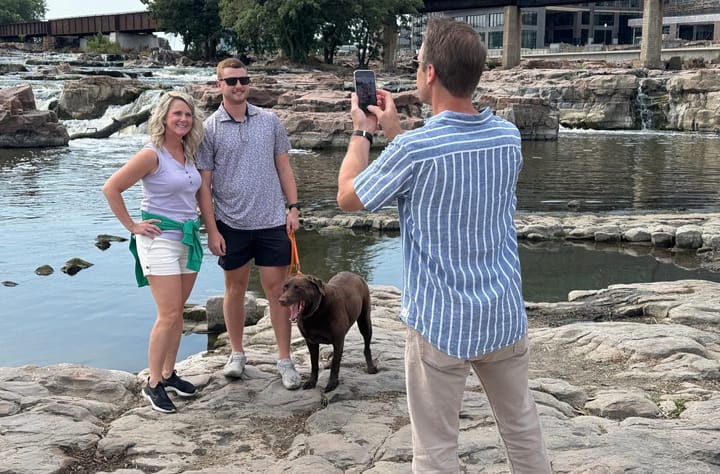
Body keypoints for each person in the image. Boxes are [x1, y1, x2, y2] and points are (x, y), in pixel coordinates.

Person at [337, 16, 552, 473]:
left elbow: (348, 198)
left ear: (431, 73)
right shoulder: (507, 138)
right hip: (502, 314)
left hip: (440, 324)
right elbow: (447, 172)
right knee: (522, 429)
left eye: (418, 64)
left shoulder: (415, 151)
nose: (417, 71)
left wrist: (364, 132)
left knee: (435, 451)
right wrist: (399, 136)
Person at [196, 58, 303, 390]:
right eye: (231, 81)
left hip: (272, 221)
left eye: (243, 79)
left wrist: (294, 208)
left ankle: (284, 360)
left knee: (278, 293)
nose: (238, 85)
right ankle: (237, 354)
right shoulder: (209, 129)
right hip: (231, 223)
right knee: (235, 291)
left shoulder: (270, 121)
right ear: (219, 86)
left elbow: (284, 168)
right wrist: (212, 229)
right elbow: (204, 185)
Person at [102, 90, 205, 414]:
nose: (183, 119)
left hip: (187, 240)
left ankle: (168, 373)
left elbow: (199, 195)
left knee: (179, 311)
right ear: (163, 117)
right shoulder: (152, 154)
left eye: (187, 115)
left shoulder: (188, 155)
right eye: (177, 114)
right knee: (169, 314)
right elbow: (111, 187)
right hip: (158, 240)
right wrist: (132, 225)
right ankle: (152, 384)